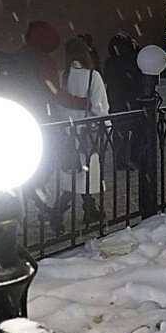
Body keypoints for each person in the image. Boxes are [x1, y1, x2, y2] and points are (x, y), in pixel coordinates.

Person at [59, 38, 109, 224]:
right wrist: (108, 126)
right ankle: (63, 211)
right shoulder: (92, 76)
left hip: (68, 132)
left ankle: (85, 208)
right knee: (86, 174)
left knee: (74, 173)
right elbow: (100, 107)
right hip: (88, 132)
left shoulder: (62, 75)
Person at [8, 20, 91, 120]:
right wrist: (83, 103)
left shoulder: (17, 58)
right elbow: (54, 92)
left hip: (19, 111)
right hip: (41, 114)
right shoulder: (43, 61)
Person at [103, 33, 144, 168]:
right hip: (132, 100)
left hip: (116, 100)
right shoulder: (132, 60)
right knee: (139, 129)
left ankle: (120, 160)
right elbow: (138, 75)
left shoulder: (110, 62)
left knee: (120, 131)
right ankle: (135, 158)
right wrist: (137, 50)